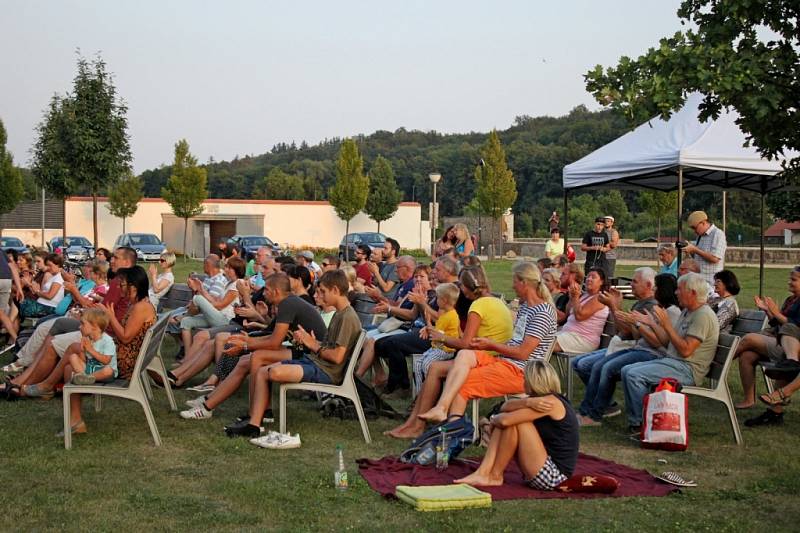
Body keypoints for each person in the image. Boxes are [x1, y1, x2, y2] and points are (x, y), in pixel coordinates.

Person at [226, 269, 362, 438]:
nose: (319, 295)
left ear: (335, 290)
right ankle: (254, 423)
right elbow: (327, 346)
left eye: (323, 291)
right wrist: (308, 341)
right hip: (316, 362)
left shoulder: (347, 317)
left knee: (272, 371)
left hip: (327, 371)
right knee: (262, 370)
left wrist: (313, 345)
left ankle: (255, 421)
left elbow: (337, 357)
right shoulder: (340, 314)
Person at [418, 262, 557, 425]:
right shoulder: (526, 307)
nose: (512, 286)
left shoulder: (542, 312)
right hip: (507, 362)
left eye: (514, 281)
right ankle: (441, 409)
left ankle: (452, 430)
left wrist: (490, 345)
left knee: (461, 381)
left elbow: (523, 353)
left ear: (524, 283)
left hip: (522, 371)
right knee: (464, 354)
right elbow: (515, 343)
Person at [178, 272, 327, 421]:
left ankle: (249, 412)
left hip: (311, 356)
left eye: (266, 289)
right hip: (303, 350)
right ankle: (210, 402)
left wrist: (245, 346)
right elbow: (273, 336)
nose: (264, 293)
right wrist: (248, 341)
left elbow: (274, 343)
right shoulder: (289, 302)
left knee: (256, 357)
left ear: (276, 291)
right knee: (244, 361)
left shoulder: (288, 304)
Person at [385, 265, 512, 439]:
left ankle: (417, 424)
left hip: (484, 359)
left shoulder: (478, 306)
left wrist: (441, 337)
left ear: (466, 288)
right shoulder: (496, 301)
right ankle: (413, 423)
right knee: (435, 367)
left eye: (461, 286)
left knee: (435, 368)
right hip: (490, 356)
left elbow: (465, 343)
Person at [454, 360, 578, 490]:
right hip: (542, 466)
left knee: (517, 423)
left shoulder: (550, 403)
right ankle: (483, 472)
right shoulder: (539, 400)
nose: (523, 382)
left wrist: (494, 419)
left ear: (533, 381)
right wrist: (527, 403)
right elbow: (505, 406)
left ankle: (495, 475)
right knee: (510, 420)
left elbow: (505, 420)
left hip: (555, 477)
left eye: (525, 378)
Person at [621, 272, 720, 434]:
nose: (675, 292)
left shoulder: (703, 316)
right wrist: (652, 323)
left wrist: (667, 324)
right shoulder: (688, 311)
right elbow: (666, 342)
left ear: (693, 293)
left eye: (679, 289)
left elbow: (686, 350)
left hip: (687, 369)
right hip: (674, 361)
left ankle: (641, 425)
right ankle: (640, 422)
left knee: (634, 375)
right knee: (627, 370)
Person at [733, 267, 800, 411]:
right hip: (778, 339)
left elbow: (793, 326)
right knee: (747, 356)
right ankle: (749, 400)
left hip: (789, 347)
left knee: (749, 339)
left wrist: (776, 312)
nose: (789, 282)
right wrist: (768, 311)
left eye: (794, 280)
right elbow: (778, 324)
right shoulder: (790, 300)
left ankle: (720, 361)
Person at [179, 256, 244, 354]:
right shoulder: (230, 283)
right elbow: (215, 300)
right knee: (186, 322)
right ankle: (187, 357)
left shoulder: (237, 284)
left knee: (197, 298)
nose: (225, 269)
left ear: (235, 270)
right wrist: (201, 289)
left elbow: (219, 306)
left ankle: (183, 316)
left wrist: (200, 294)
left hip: (225, 320)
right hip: (216, 316)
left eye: (228, 267)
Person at [410, 282, 461, 393]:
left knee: (426, 365)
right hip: (436, 348)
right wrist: (428, 326)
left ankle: (432, 392)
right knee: (418, 364)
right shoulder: (444, 313)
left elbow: (436, 334)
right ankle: (420, 394)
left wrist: (428, 324)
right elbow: (437, 328)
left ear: (444, 300)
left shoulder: (451, 316)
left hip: (445, 350)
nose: (436, 301)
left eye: (437, 298)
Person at [552, 268, 609, 354]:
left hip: (583, 339)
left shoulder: (599, 298)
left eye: (593, 277)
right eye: (588, 277)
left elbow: (580, 316)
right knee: (538, 339)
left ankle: (536, 366)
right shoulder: (585, 295)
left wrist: (575, 298)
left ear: (601, 282)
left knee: (543, 344)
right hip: (569, 334)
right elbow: (568, 314)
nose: (589, 279)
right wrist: (571, 298)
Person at [66, 307, 117, 385]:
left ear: (94, 326)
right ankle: (84, 378)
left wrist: (90, 350)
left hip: (103, 373)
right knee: (73, 357)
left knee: (108, 370)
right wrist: (82, 350)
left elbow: (106, 361)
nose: (79, 327)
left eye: (83, 324)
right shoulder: (88, 339)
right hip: (90, 369)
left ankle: (85, 378)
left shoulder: (107, 340)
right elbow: (84, 361)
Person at [682, 210, 727, 286]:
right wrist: (690, 251)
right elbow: (699, 257)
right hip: (699, 280)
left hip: (711, 283)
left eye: (694, 228)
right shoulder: (700, 236)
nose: (694, 231)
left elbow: (715, 258)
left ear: (703, 223)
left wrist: (695, 249)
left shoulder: (718, 234)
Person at [18, 253, 65, 320]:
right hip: (42, 304)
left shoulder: (59, 277)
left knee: (17, 303)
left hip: (48, 308)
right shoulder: (54, 276)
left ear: (57, 264)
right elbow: (42, 292)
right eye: (47, 265)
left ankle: (10, 327)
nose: (48, 267)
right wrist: (35, 288)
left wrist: (37, 290)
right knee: (17, 301)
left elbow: (49, 296)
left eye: (50, 265)